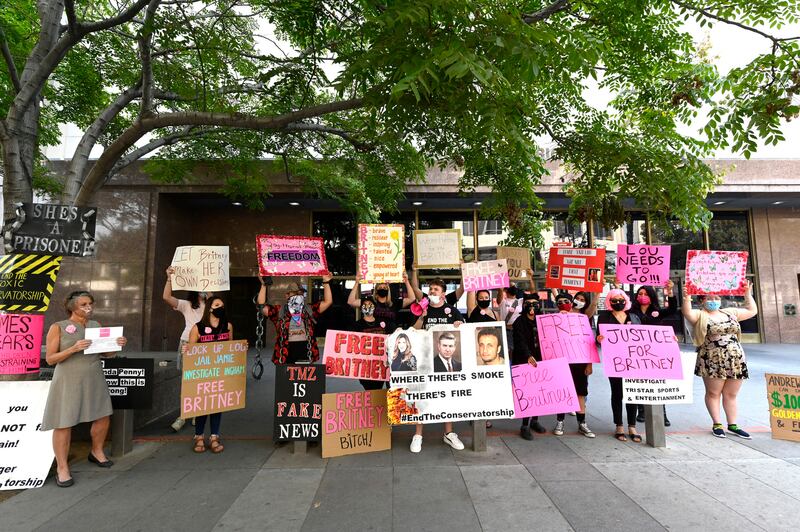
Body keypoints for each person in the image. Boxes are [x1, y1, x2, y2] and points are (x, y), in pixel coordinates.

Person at [41, 291, 128, 488]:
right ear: (72, 307)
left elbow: (107, 353)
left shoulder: (96, 325)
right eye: (83, 304)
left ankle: (96, 451)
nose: (88, 307)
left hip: (94, 376)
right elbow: (50, 358)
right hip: (68, 378)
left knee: (102, 415)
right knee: (63, 421)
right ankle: (62, 468)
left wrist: (117, 344)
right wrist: (73, 348)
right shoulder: (59, 327)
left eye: (90, 303)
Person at [681, 281, 757, 438]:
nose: (713, 300)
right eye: (709, 298)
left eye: (716, 297)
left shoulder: (730, 312)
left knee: (731, 394)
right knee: (713, 392)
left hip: (735, 359)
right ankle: (717, 423)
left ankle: (733, 424)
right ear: (702, 300)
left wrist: (747, 295)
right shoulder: (699, 315)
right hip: (712, 359)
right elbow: (687, 312)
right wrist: (687, 297)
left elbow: (752, 311)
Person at [410, 278, 465, 453]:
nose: (432, 292)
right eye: (430, 289)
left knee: (446, 396)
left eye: (436, 289)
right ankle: (418, 435)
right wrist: (421, 317)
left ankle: (449, 433)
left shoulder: (452, 311)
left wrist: (460, 325)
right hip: (425, 362)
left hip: (446, 364)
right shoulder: (422, 310)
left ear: (443, 293)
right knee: (421, 396)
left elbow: (463, 329)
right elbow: (413, 331)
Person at [183, 296, 233, 453]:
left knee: (217, 404)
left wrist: (241, 348)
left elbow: (231, 347)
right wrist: (186, 350)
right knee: (202, 406)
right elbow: (191, 350)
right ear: (210, 308)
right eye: (217, 305)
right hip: (203, 373)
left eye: (222, 305)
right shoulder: (197, 328)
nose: (221, 307)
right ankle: (199, 436)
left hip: (220, 372)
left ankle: (214, 436)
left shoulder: (228, 326)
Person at [162, 266, 208, 431]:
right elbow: (166, 297)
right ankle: (184, 414)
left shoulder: (214, 306)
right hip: (188, 344)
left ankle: (197, 412)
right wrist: (169, 278)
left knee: (202, 380)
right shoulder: (186, 305)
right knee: (187, 380)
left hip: (206, 346)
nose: (204, 290)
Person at [596, 288, 642, 442]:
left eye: (620, 300)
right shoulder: (604, 317)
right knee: (617, 392)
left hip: (633, 361)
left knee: (632, 392)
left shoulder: (634, 316)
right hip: (615, 361)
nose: (617, 303)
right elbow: (598, 337)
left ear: (626, 301)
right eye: (614, 300)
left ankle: (632, 425)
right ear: (609, 302)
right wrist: (599, 339)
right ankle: (619, 425)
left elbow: (644, 335)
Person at [257, 275, 333, 364]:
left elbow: (328, 302)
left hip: (306, 349)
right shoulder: (279, 310)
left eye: (300, 293)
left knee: (305, 376)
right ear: (287, 295)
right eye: (295, 293)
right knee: (285, 376)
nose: (298, 295)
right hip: (285, 352)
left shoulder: (309, 309)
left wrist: (326, 283)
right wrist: (263, 285)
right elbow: (262, 306)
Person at [630, 281, 677, 425]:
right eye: (640, 294)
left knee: (657, 382)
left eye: (645, 294)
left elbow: (673, 309)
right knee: (639, 382)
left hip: (655, 354)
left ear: (651, 296)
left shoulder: (658, 311)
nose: (643, 296)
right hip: (637, 353)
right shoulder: (631, 312)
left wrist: (670, 292)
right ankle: (642, 411)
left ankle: (662, 413)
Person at [551, 292, 596, 438]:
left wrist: (589, 364)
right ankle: (560, 421)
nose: (564, 304)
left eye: (566, 301)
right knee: (563, 392)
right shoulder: (554, 319)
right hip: (562, 361)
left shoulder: (582, 319)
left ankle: (582, 423)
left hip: (579, 361)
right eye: (560, 302)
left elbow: (588, 342)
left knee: (580, 393)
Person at [512, 293, 547, 440]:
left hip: (540, 361)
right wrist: (528, 355)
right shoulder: (519, 321)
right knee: (526, 393)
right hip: (523, 360)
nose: (532, 306)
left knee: (538, 392)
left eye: (535, 303)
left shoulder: (543, 320)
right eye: (528, 303)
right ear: (523, 305)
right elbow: (519, 341)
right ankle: (524, 425)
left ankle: (535, 420)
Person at [347, 271, 417, 331]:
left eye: (384, 287)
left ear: (388, 290)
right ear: (376, 290)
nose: (382, 289)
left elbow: (412, 298)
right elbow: (351, 301)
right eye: (380, 287)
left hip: (390, 336)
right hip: (374, 335)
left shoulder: (394, 302)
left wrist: (406, 281)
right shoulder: (369, 302)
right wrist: (356, 282)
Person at [353, 296, 391, 390]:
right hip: (367, 367)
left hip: (383, 364)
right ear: (361, 308)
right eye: (364, 305)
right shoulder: (357, 325)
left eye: (370, 304)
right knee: (371, 391)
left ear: (374, 307)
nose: (367, 307)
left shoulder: (382, 322)